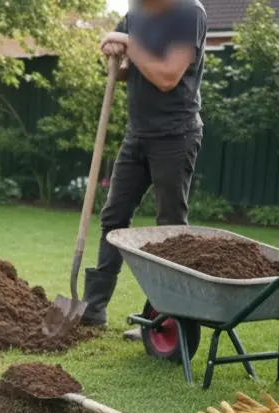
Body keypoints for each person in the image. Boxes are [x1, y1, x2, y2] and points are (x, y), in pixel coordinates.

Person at [82, 0, 208, 331]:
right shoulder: (137, 13)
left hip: (175, 135)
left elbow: (167, 77)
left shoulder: (189, 12)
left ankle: (163, 316)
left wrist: (127, 43)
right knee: (114, 217)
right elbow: (126, 67)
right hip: (138, 135)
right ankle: (93, 308)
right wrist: (112, 52)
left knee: (170, 227)